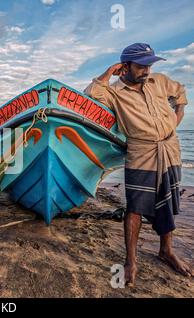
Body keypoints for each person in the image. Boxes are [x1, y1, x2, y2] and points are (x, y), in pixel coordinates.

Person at [84, 43, 192, 286]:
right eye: (141, 66)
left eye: (149, 65)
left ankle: (166, 251)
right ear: (126, 67)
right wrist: (109, 72)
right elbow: (90, 94)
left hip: (170, 148)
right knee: (135, 206)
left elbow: (180, 93)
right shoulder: (113, 92)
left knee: (168, 199)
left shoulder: (160, 81)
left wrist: (176, 119)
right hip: (141, 151)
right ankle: (131, 261)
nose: (147, 70)